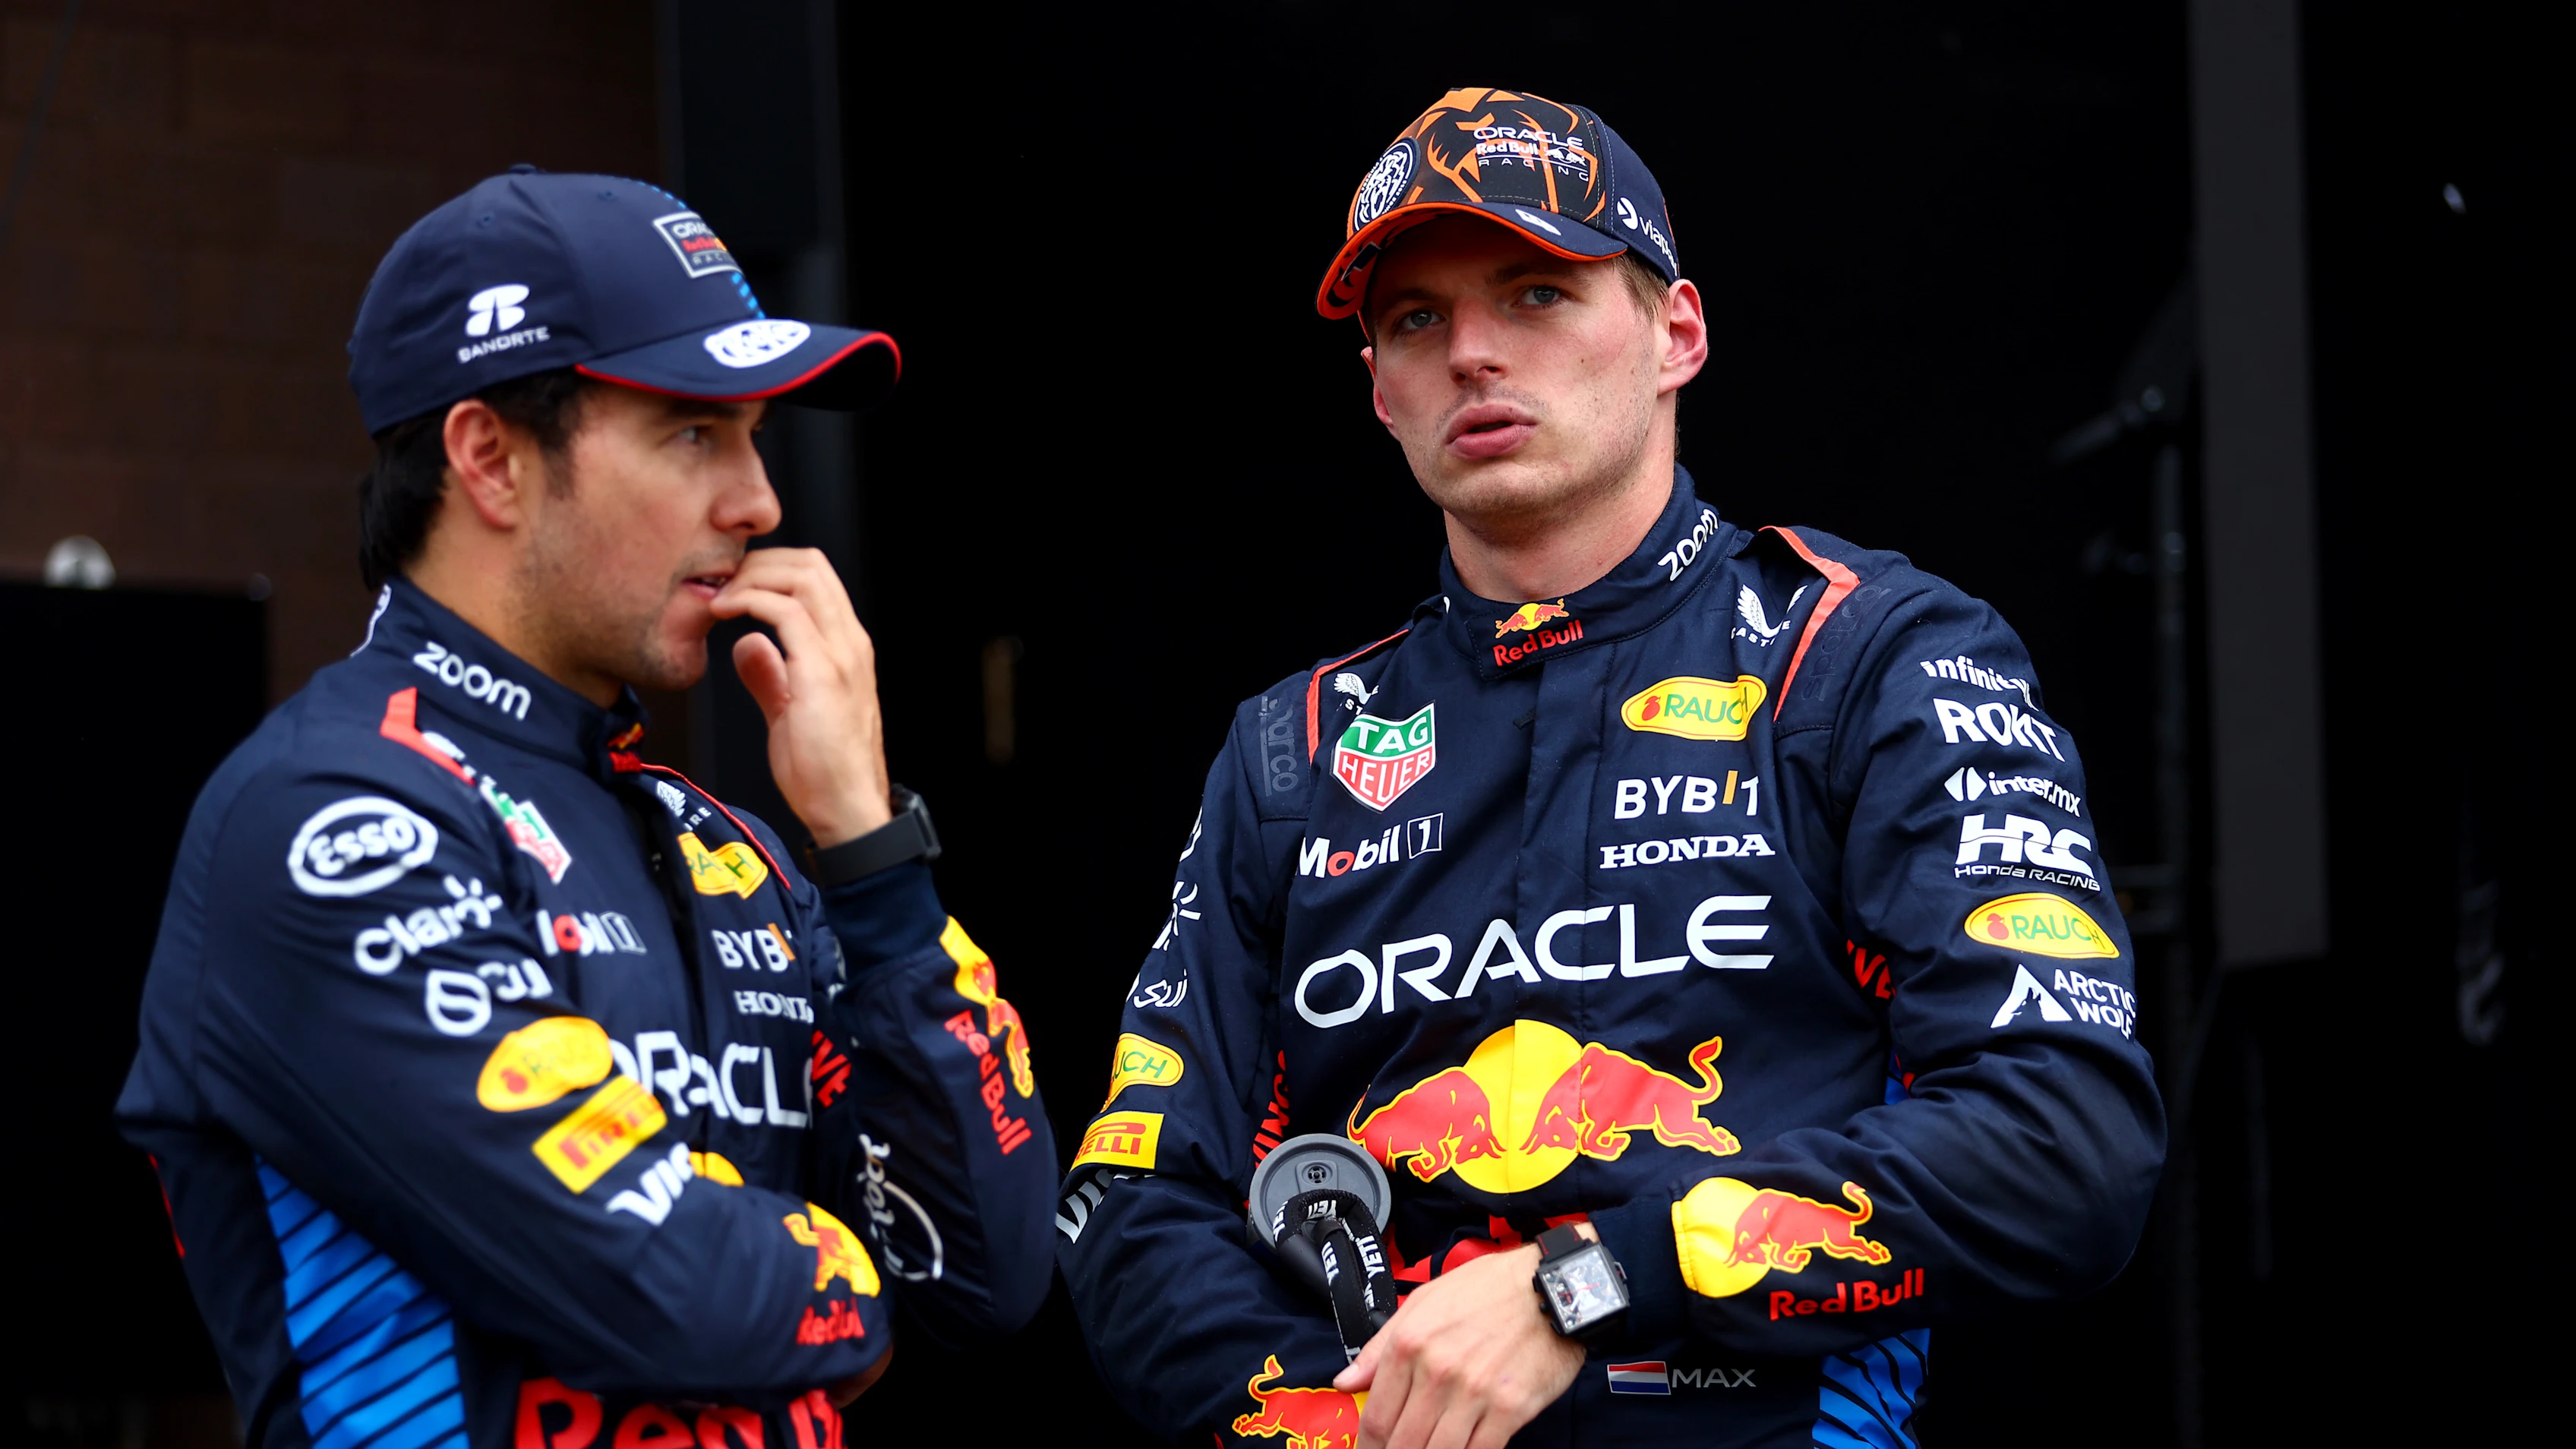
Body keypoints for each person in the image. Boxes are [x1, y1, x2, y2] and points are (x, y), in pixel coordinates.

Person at [1055, 89, 2164, 1447]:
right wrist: (1332, 1431)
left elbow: (2065, 1148)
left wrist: (1583, 1287)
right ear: (1379, 394)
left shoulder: (1867, 656)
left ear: (1674, 334)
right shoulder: (1295, 747)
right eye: (1416, 320)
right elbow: (1132, 1207)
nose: (1471, 352)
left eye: (1535, 292)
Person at [117, 168, 1056, 1449]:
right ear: (491, 460)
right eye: (691, 432)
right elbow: (666, 1293)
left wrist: (870, 851)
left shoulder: (734, 853)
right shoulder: (330, 819)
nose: (760, 502)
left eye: (754, 434)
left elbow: (989, 1276)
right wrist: (852, 1288)